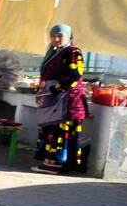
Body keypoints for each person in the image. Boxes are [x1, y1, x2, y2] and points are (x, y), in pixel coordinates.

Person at [34, 23, 89, 174]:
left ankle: (57, 164)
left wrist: (55, 89)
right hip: (55, 100)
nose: (56, 39)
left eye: (60, 36)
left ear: (68, 36)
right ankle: (49, 163)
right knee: (51, 129)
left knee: (59, 132)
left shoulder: (73, 52)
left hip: (68, 101)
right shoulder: (54, 52)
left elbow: (74, 75)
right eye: (53, 36)